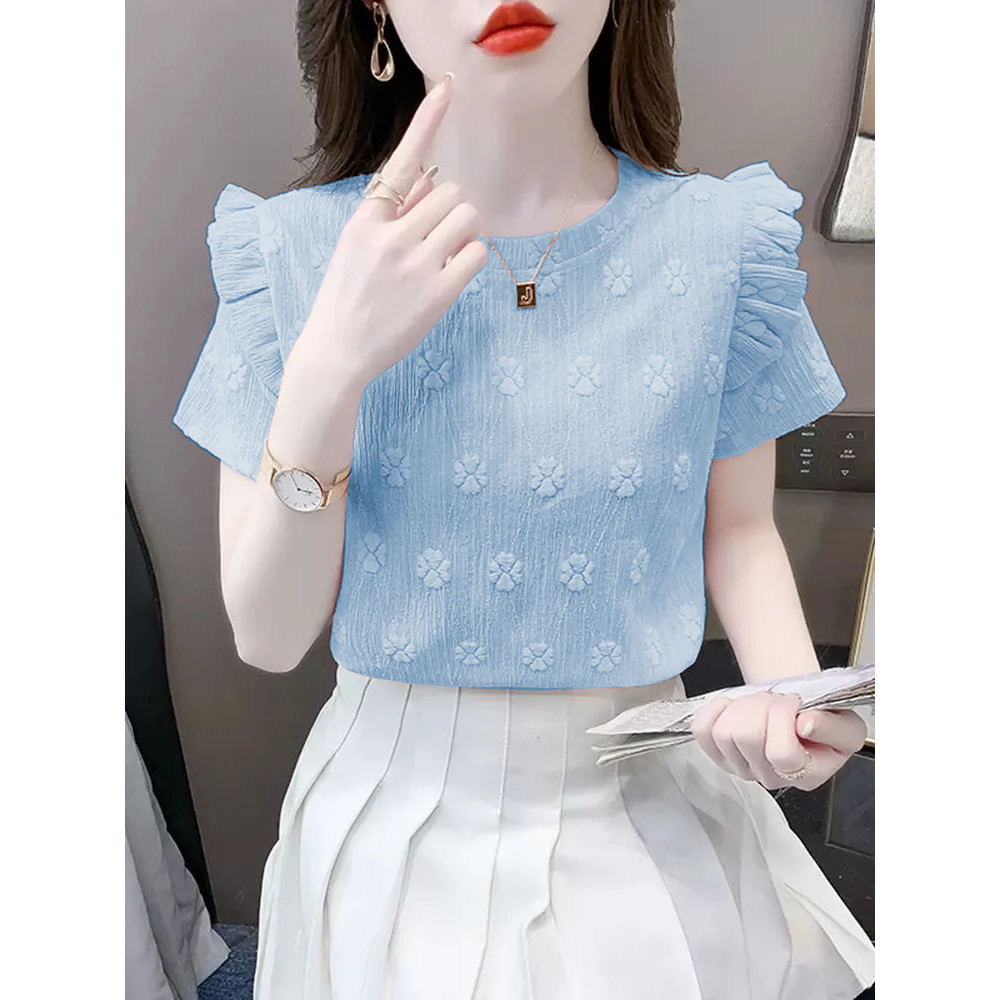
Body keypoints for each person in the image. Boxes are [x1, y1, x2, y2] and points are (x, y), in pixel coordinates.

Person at [171, 1, 876, 997]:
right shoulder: (283, 253)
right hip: (389, 822)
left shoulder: (723, 244)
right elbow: (269, 635)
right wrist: (327, 370)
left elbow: (738, 528)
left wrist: (793, 706)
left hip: (651, 803)